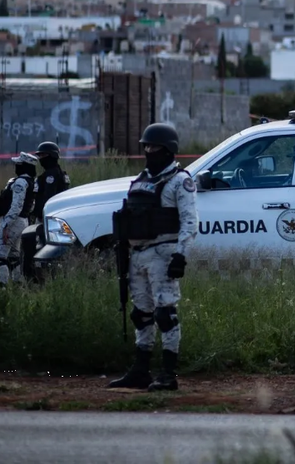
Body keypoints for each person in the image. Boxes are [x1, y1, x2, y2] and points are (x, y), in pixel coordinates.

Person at [109, 122, 198, 392]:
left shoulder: (180, 181)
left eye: (155, 147)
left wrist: (180, 256)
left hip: (163, 254)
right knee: (141, 314)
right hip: (137, 255)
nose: (149, 151)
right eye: (146, 146)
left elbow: (190, 223)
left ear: (169, 150)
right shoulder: (141, 180)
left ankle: (168, 374)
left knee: (165, 314)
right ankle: (140, 371)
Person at [0, 152, 38, 287]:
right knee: (13, 257)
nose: (16, 166)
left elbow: (16, 206)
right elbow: (31, 206)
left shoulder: (20, 182)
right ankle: (18, 286)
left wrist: (5, 224)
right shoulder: (32, 183)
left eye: (18, 164)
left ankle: (2, 289)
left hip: (14, 222)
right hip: (23, 221)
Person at [30, 141, 71, 223]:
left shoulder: (51, 175)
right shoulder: (61, 173)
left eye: (43, 155)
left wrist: (41, 213)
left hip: (48, 216)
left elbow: (49, 196)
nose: (41, 158)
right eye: (39, 156)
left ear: (52, 156)